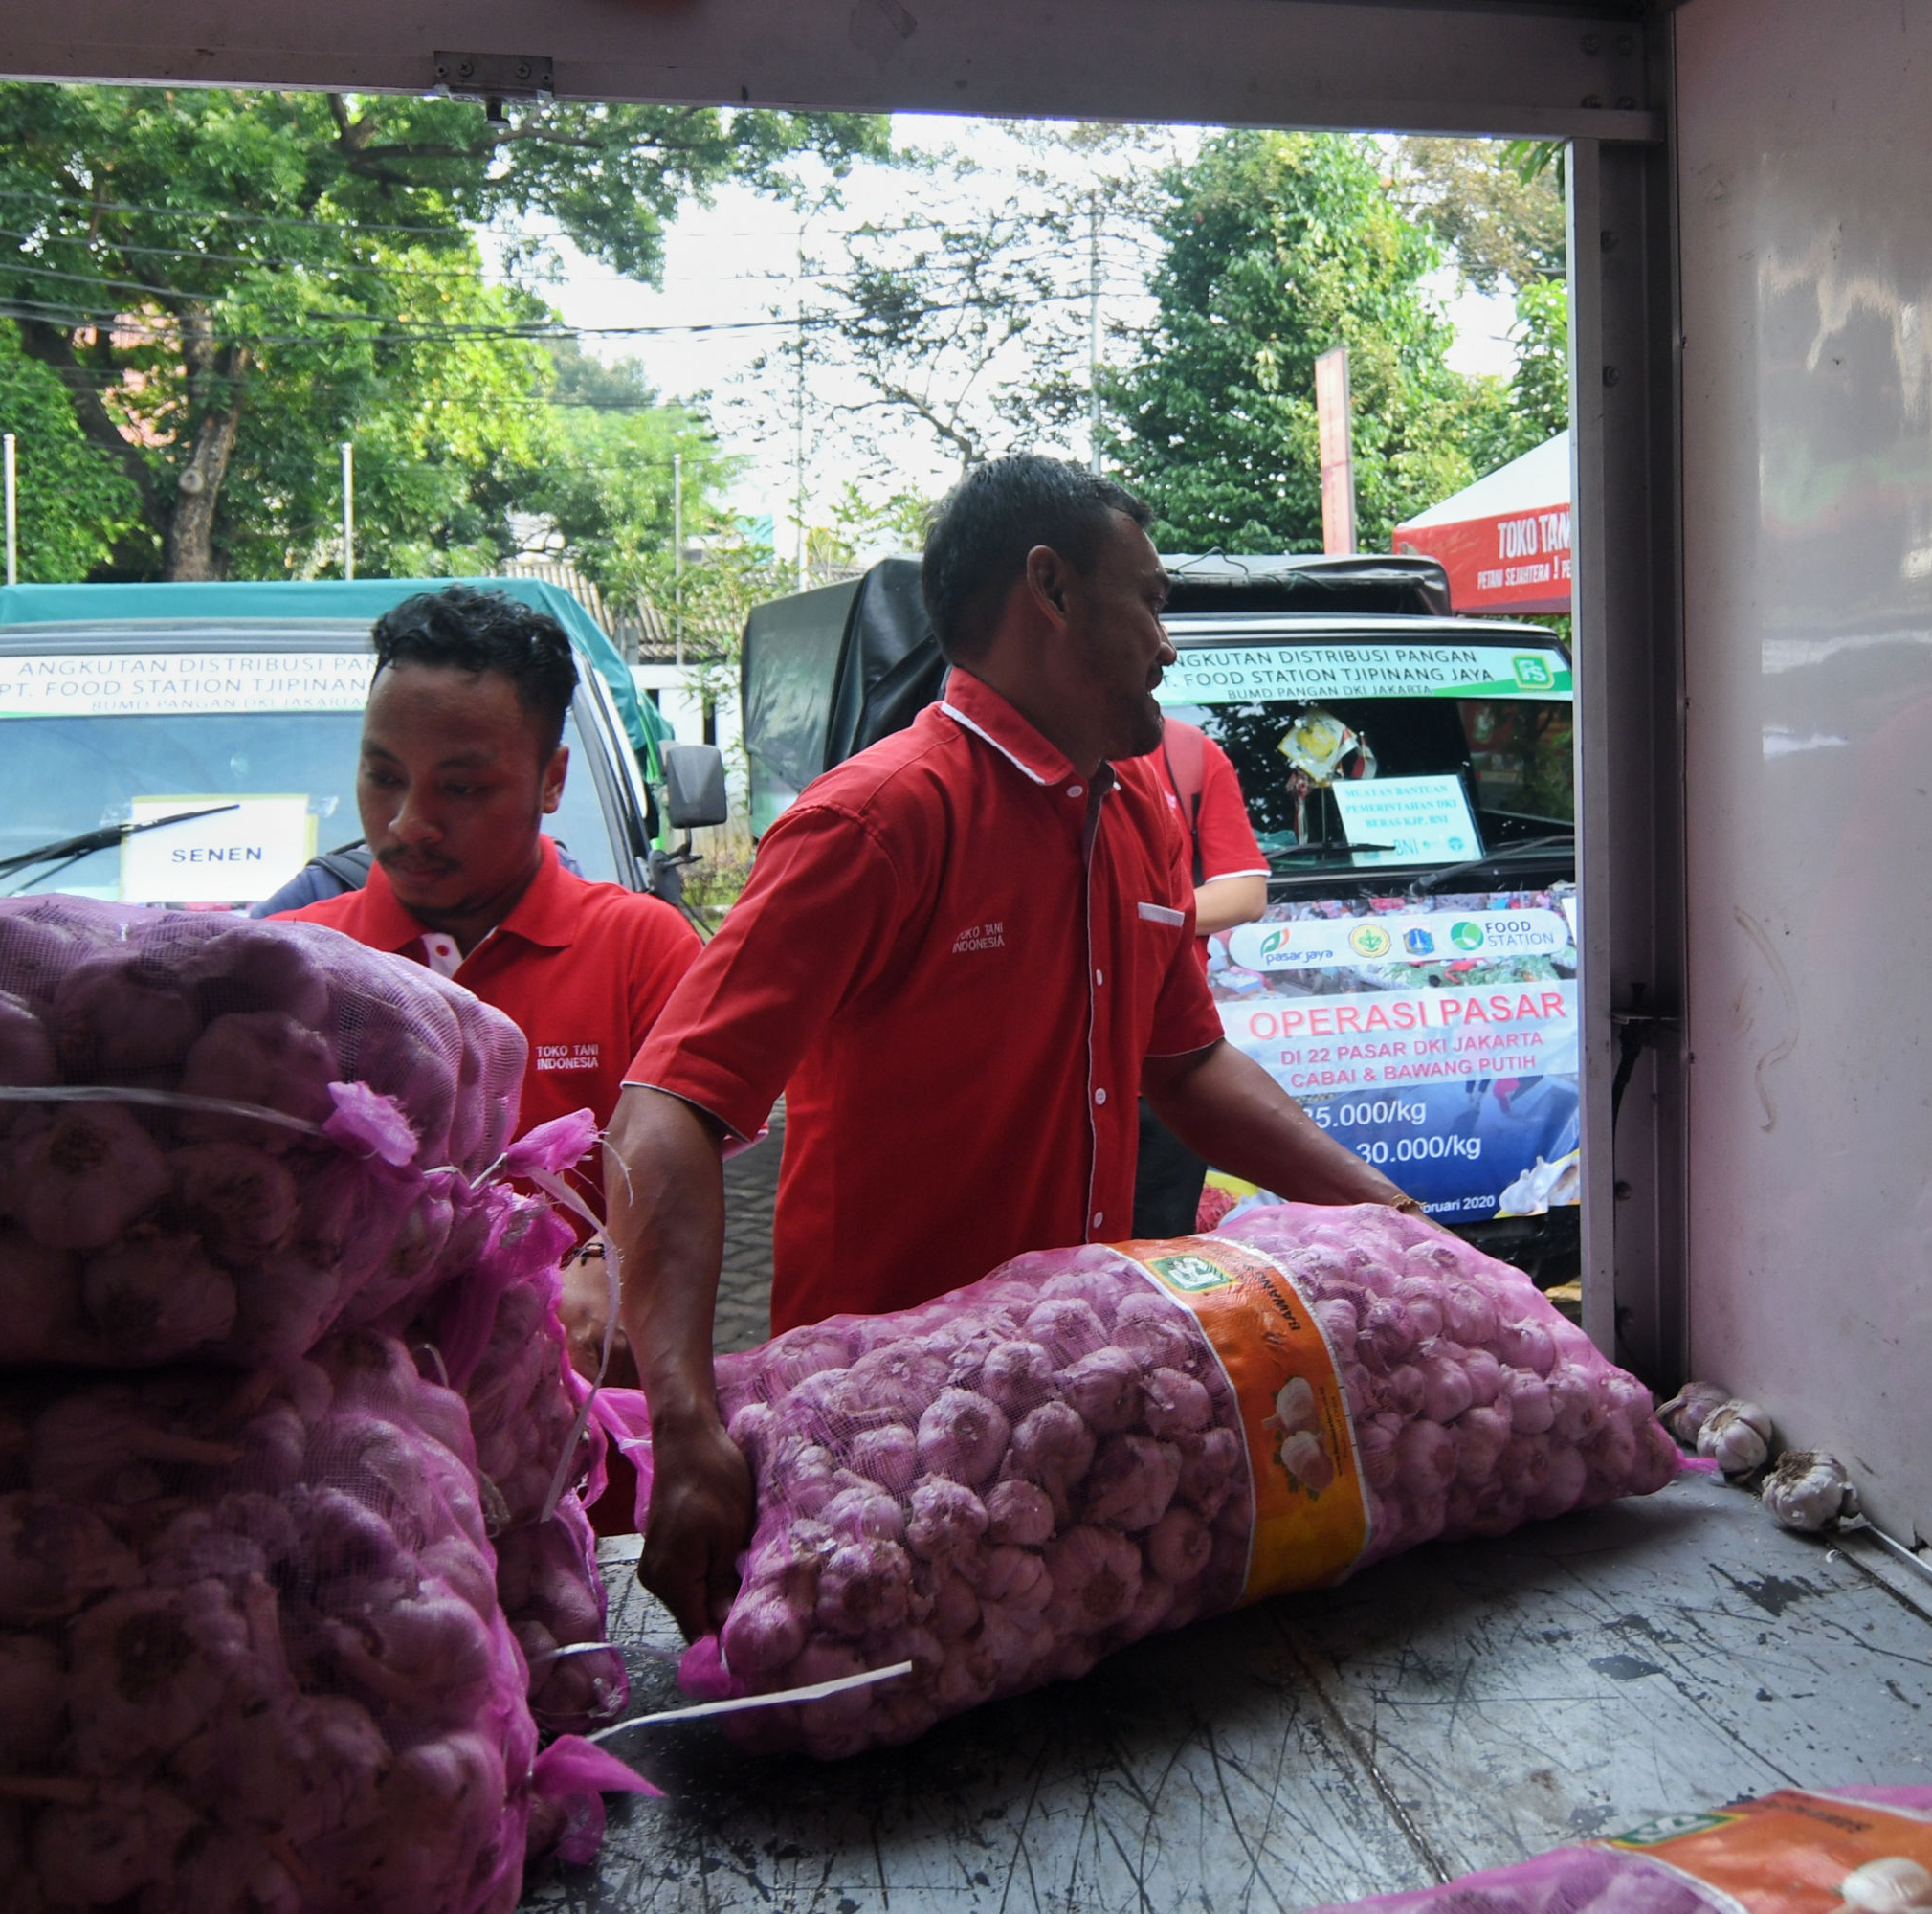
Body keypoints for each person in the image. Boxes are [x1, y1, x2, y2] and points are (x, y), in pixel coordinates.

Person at [603, 456, 1411, 1637]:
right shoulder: (872, 822)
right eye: (1150, 599)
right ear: (1053, 590)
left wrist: (1390, 1223)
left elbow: (1184, 1067)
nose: (1168, 645)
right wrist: (685, 1417)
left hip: (1072, 1391)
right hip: (880, 1418)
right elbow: (665, 1106)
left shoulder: (1136, 811)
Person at [268, 586, 701, 1237]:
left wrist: (608, 1267)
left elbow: (683, 1201)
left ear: (552, 780)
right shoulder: (290, 963)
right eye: (384, 777)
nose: (409, 824)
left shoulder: (642, 952)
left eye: (462, 788)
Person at [1131, 716, 1272, 1236]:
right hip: (1049, 1084)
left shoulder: (1186, 752)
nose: (1161, 652)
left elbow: (1244, 894)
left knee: (1154, 1269)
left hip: (1164, 1068)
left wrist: (1119, 914)